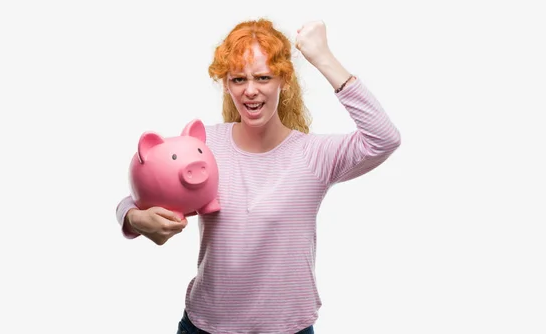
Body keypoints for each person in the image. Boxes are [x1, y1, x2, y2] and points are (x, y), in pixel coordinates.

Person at [115, 18, 401, 334]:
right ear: (227, 85)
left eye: (263, 77)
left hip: (288, 328)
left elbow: (384, 138)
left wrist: (323, 58)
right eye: (238, 79)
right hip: (205, 326)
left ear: (284, 81)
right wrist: (134, 219)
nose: (250, 91)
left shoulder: (313, 155)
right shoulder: (204, 147)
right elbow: (137, 195)